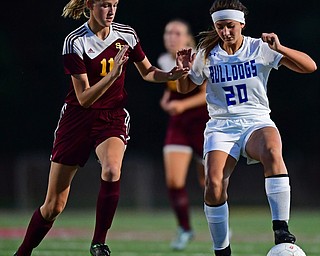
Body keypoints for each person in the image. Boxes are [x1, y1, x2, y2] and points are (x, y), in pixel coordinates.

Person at [13, 0, 189, 255]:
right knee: (53, 206)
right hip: (77, 119)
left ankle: (98, 243)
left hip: (112, 117)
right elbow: (84, 97)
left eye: (115, 5)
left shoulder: (126, 34)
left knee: (111, 169)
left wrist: (173, 74)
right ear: (89, 5)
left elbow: (148, 71)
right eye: (105, 5)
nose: (111, 11)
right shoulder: (75, 41)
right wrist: (113, 74)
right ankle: (23, 253)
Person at [175, 0, 317, 255]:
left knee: (273, 151)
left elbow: (310, 66)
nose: (225, 32)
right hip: (221, 126)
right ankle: (222, 249)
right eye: (220, 27)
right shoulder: (206, 53)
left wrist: (280, 48)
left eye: (230, 26)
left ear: (241, 23)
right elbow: (186, 88)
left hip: (256, 120)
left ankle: (281, 228)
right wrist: (183, 71)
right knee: (214, 184)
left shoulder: (259, 48)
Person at [157, 19, 208, 250]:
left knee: (210, 183)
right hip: (178, 126)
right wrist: (167, 101)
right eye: (168, 32)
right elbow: (171, 92)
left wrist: (182, 106)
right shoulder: (164, 60)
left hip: (204, 125)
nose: (171, 37)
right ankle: (185, 229)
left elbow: (207, 95)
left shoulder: (199, 58)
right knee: (174, 181)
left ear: (188, 38)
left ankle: (220, 225)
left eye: (177, 33)